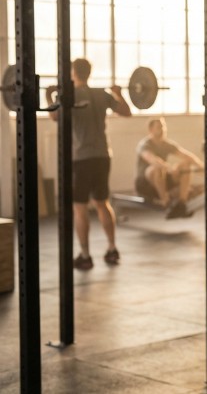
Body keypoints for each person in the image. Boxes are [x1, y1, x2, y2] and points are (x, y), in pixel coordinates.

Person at [46, 58, 132, 271]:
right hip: (102, 156)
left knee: (80, 207)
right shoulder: (102, 94)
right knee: (102, 203)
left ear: (73, 73)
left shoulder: (67, 95)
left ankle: (85, 255)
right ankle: (112, 248)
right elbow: (126, 112)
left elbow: (54, 117)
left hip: (81, 159)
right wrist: (119, 93)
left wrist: (48, 95)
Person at [135, 117, 204, 218]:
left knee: (185, 165)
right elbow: (152, 159)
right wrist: (170, 169)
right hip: (145, 184)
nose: (162, 129)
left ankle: (182, 203)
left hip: (162, 179)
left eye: (163, 126)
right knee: (157, 168)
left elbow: (187, 156)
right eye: (159, 127)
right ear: (151, 130)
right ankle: (166, 203)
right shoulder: (145, 145)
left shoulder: (167, 144)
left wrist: (204, 169)